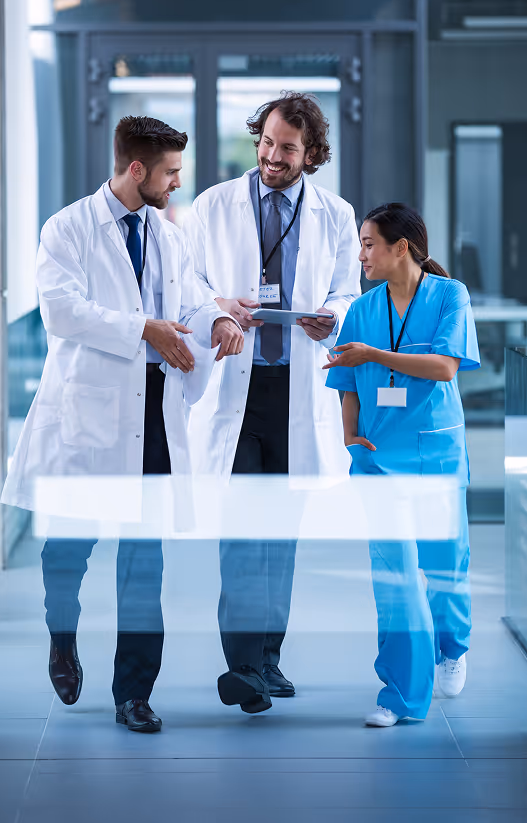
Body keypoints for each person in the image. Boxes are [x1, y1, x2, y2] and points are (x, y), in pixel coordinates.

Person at [1, 116, 243, 733]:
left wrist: (215, 320)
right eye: (170, 172)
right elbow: (61, 311)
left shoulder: (169, 235)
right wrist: (144, 329)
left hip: (153, 420)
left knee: (144, 563)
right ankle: (62, 638)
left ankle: (133, 693)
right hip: (88, 416)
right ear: (137, 170)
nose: (178, 183)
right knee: (67, 553)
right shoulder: (69, 228)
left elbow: (188, 296)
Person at [183, 92, 361, 712]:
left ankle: (268, 659)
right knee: (240, 530)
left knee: (282, 530)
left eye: (287, 148)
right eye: (266, 143)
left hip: (296, 387)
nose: (272, 156)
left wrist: (329, 318)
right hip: (238, 385)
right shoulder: (213, 205)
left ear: (311, 154)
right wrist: (218, 311)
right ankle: (245, 668)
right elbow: (191, 282)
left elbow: (347, 292)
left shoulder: (337, 215)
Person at [323, 202, 480, 728]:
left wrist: (373, 355)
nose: (361, 254)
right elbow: (345, 379)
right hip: (377, 458)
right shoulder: (362, 309)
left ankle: (452, 647)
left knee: (444, 564)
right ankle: (400, 694)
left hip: (435, 452)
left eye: (369, 244)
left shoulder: (449, 295)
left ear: (401, 248)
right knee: (395, 579)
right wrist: (350, 432)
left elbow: (443, 365)